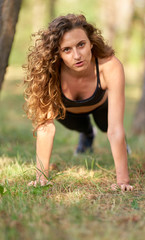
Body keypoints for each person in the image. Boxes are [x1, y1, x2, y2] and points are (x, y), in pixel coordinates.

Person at [23, 14, 133, 191]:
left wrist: (123, 181)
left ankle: (121, 146)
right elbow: (45, 128)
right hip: (69, 111)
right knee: (80, 127)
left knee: (107, 127)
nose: (77, 55)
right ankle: (88, 134)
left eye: (81, 45)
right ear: (57, 53)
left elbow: (115, 129)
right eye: (67, 49)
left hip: (101, 107)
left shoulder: (110, 66)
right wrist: (41, 178)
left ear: (91, 43)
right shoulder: (49, 73)